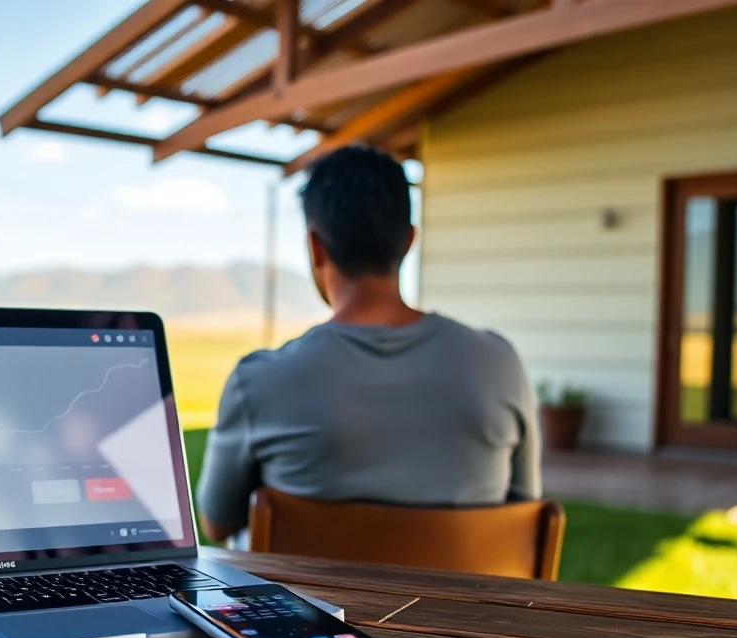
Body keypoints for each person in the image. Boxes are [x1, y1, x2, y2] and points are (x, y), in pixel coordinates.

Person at [195, 145, 541, 546]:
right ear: (408, 240)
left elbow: (216, 523)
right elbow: (524, 509)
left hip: (308, 609)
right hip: (458, 610)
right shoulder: (498, 364)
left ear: (315, 247)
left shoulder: (258, 381)